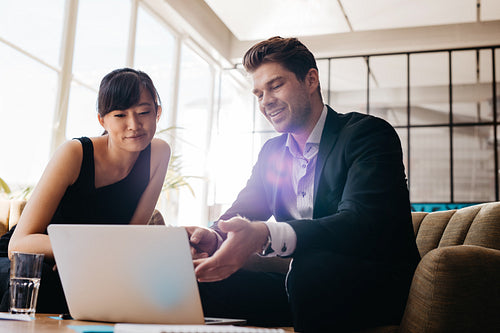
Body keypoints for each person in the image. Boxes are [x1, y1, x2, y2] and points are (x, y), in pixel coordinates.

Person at [186, 37, 421, 332]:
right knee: (201, 280)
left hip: (372, 285)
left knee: (310, 272)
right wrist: (213, 236)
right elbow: (245, 210)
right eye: (258, 94)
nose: (265, 101)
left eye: (275, 86)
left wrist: (265, 235)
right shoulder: (272, 151)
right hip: (302, 285)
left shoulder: (367, 135)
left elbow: (360, 223)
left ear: (310, 80)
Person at [0, 68, 170, 313]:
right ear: (103, 120)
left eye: (144, 112)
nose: (134, 125)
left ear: (158, 113)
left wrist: (87, 258)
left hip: (88, 263)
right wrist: (77, 253)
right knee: (51, 283)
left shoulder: (159, 153)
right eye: (120, 115)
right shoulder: (75, 153)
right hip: (25, 263)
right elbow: (20, 244)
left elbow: (131, 237)